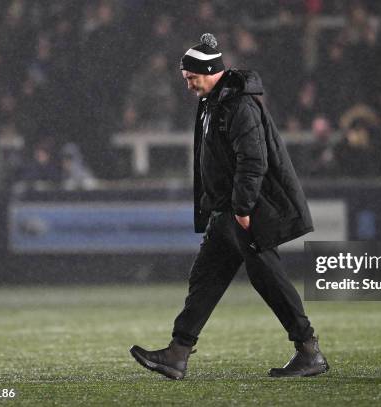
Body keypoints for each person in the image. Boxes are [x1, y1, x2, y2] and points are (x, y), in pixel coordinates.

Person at [130, 33, 329, 379]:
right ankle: (177, 353)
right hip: (226, 211)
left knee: (269, 280)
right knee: (204, 279)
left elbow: (253, 161)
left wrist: (242, 208)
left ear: (209, 70)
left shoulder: (239, 105)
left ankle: (309, 350)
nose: (189, 85)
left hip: (244, 211)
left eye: (192, 78)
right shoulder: (215, 102)